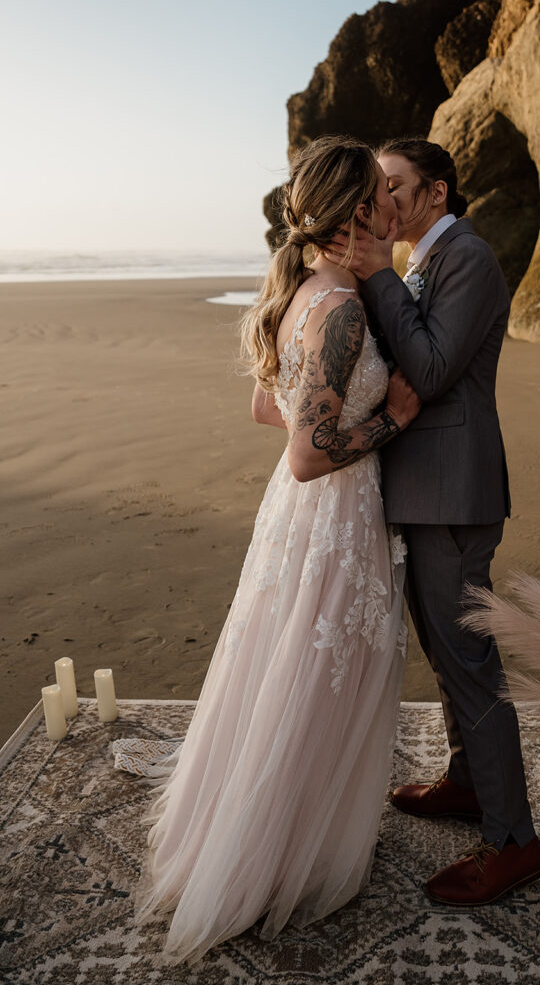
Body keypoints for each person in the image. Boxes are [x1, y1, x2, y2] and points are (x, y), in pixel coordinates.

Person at [119, 136, 421, 963]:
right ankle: (291, 854)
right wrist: (393, 416)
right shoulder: (343, 308)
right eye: (378, 196)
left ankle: (277, 831)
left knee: (288, 664)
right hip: (328, 511)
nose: (388, 207)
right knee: (319, 674)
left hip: (295, 519)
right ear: (357, 210)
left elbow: (268, 411)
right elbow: (306, 451)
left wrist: (332, 412)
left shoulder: (297, 292)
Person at [324, 138, 540, 906]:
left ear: (435, 193)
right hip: (424, 488)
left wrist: (380, 273)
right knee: (446, 653)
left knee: (468, 663)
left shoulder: (469, 260)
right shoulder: (424, 260)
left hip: (453, 490)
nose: (381, 202)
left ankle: (513, 842)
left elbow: (432, 364)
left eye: (393, 187)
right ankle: (466, 782)